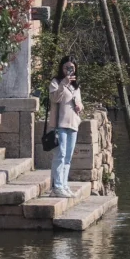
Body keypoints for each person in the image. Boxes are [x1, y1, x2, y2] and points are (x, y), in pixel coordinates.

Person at [48, 56, 84, 196]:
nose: (69, 70)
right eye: (66, 67)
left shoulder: (76, 85)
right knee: (60, 155)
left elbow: (79, 101)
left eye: (72, 68)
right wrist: (64, 83)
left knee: (68, 156)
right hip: (60, 124)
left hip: (73, 124)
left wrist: (80, 106)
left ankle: (63, 184)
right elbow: (55, 98)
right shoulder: (56, 82)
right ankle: (56, 187)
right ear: (61, 68)